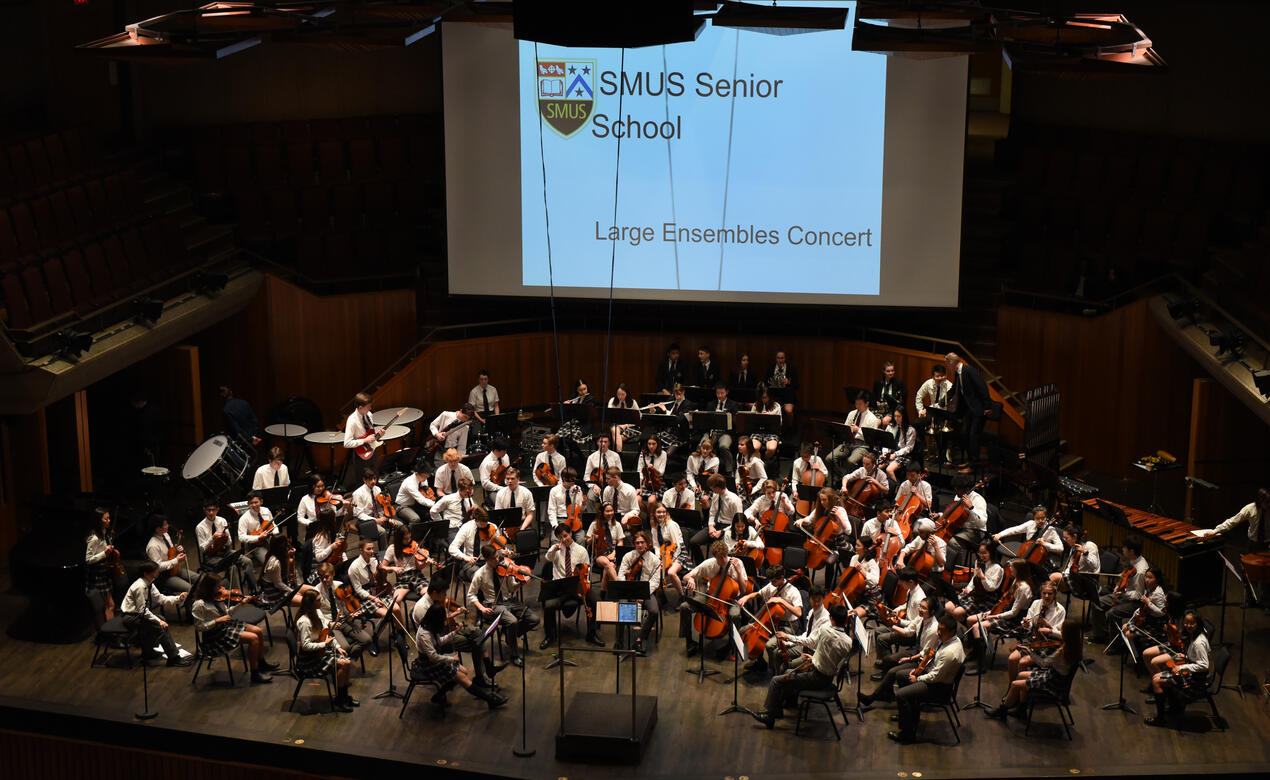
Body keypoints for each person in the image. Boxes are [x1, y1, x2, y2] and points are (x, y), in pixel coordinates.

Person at [751, 604, 853, 728]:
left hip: (817, 677)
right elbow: (829, 656)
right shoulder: (848, 642)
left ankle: (769, 717)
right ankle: (778, 709)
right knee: (788, 671)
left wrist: (788, 637)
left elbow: (811, 642)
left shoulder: (825, 631)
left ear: (831, 618)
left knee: (775, 680)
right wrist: (814, 658)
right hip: (828, 677)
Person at [410, 576, 504, 690]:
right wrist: (454, 616)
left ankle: (488, 665)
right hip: (439, 638)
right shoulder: (422, 608)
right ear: (435, 592)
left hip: (448, 629)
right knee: (476, 644)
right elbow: (434, 629)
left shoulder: (436, 600)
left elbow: (442, 620)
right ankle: (480, 678)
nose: (445, 597)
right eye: (444, 594)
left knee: (478, 633)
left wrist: (454, 620)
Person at [985, 618, 1082, 721]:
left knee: (1014, 685)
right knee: (1021, 675)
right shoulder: (1075, 647)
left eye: (1062, 631)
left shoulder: (1063, 652)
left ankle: (1002, 711)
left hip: (1052, 683)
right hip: (1057, 678)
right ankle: (1021, 710)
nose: (1061, 632)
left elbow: (1043, 663)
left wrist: (1029, 651)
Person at [414, 604, 508, 709]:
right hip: (427, 664)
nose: (444, 622)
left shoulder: (430, 627)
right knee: (462, 678)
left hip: (435, 660)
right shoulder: (425, 634)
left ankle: (439, 695)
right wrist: (451, 659)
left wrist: (455, 632)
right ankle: (490, 700)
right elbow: (433, 657)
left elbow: (440, 642)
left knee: (464, 672)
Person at [889, 614, 964, 743]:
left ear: (952, 632)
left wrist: (917, 679)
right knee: (900, 675)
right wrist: (918, 670)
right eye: (938, 629)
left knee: (901, 695)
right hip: (934, 677)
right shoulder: (948, 639)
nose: (938, 633)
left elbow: (935, 677)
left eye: (942, 630)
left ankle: (907, 735)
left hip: (938, 688)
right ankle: (909, 716)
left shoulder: (950, 652)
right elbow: (931, 655)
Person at [190, 573, 276, 684]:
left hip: (226, 626)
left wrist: (241, 603)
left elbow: (227, 612)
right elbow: (198, 627)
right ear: (209, 588)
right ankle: (255, 674)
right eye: (218, 587)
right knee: (253, 638)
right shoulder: (199, 605)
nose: (221, 589)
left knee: (258, 631)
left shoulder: (217, 598)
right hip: (215, 636)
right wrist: (217, 621)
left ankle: (262, 663)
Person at [467, 544, 542, 667]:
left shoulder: (505, 568)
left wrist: (521, 583)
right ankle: (514, 654)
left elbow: (512, 587)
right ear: (486, 559)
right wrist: (482, 609)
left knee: (535, 619)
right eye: (493, 558)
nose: (497, 560)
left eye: (497, 556)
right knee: (512, 622)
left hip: (510, 601)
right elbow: (471, 595)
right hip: (494, 605)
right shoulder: (480, 574)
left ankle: (510, 635)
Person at [1194, 487, 1270, 605]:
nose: (1268, 505)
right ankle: (1250, 600)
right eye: (1266, 502)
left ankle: (1266, 602)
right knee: (1249, 574)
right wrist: (1215, 531)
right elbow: (1232, 521)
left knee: (1267, 574)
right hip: (1253, 544)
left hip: (1267, 544)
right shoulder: (1250, 508)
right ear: (1260, 500)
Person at [1143, 610, 1210, 728]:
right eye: (1186, 622)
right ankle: (1174, 706)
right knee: (1156, 676)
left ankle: (1160, 719)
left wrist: (1181, 667)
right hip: (1191, 673)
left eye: (1192, 623)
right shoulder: (1194, 636)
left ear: (1197, 624)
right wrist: (1186, 656)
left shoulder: (1199, 642)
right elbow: (1197, 657)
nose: (1188, 626)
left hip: (1195, 680)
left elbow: (1204, 665)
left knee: (1156, 681)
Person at [966, 558, 1034, 672]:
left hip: (1013, 621)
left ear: (1019, 570)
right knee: (970, 620)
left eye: (1012, 567)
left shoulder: (1024, 588)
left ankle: (981, 665)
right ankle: (976, 652)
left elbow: (1013, 613)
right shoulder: (1016, 580)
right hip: (1004, 613)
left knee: (977, 627)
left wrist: (993, 616)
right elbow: (1005, 602)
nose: (1010, 569)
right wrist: (991, 611)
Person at [542, 524, 603, 647]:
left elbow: (586, 571)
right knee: (548, 606)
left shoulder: (581, 551)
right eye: (560, 538)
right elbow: (547, 558)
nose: (564, 540)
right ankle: (550, 636)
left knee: (596, 600)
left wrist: (584, 586)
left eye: (565, 536)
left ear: (570, 533)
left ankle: (592, 634)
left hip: (578, 587)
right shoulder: (556, 551)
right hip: (561, 588)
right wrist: (552, 549)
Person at [294, 589, 356, 711]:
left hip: (319, 652)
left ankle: (344, 696)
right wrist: (324, 644)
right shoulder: (305, 622)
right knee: (343, 664)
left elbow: (327, 634)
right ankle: (339, 700)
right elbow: (305, 646)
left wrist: (337, 647)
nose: (321, 601)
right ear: (311, 603)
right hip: (309, 659)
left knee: (347, 662)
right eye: (318, 600)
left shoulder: (317, 612)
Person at [862, 598, 939, 695]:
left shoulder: (933, 629)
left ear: (932, 611)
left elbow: (925, 655)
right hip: (916, 650)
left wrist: (909, 658)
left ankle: (876, 696)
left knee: (892, 672)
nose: (920, 609)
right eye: (920, 606)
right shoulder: (921, 617)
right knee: (887, 659)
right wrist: (891, 624)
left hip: (920, 660)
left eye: (924, 608)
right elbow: (908, 632)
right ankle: (887, 692)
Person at [736, 564, 803, 675]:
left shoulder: (793, 591)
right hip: (771, 621)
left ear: (782, 577)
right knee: (744, 630)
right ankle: (760, 663)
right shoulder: (772, 586)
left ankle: (773, 670)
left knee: (769, 645)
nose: (772, 584)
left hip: (788, 625)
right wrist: (746, 597)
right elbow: (758, 594)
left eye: (774, 581)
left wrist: (782, 601)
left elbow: (799, 612)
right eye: (771, 581)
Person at [120, 561, 191, 666]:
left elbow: (160, 598)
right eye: (155, 570)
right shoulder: (140, 586)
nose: (158, 572)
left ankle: (148, 652)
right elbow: (142, 611)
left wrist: (178, 598)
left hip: (138, 614)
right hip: (130, 616)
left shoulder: (149, 583)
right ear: (146, 573)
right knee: (159, 625)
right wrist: (159, 622)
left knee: (160, 619)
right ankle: (173, 658)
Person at [1090, 535, 1149, 642]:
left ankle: (1116, 645)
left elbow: (1139, 595)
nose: (1122, 549)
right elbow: (1127, 578)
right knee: (1096, 602)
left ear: (1131, 551)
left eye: (1124, 547)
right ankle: (1102, 636)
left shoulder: (1141, 571)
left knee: (1113, 612)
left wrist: (1122, 593)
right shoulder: (1133, 560)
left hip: (1135, 602)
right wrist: (1119, 584)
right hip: (1124, 594)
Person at [1003, 581, 1066, 680]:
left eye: (1050, 593)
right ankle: (1013, 687)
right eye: (1044, 593)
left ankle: (1021, 689)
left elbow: (1061, 634)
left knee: (1023, 662)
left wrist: (1049, 628)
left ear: (1054, 595)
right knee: (1012, 659)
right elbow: (1029, 624)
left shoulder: (1060, 610)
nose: (1046, 596)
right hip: (1034, 639)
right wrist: (1027, 624)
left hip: (1049, 643)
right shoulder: (1036, 603)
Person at [945, 352, 992, 472]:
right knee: (964, 433)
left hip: (979, 410)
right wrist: (942, 401)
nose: (947, 367)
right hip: (969, 410)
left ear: (951, 363)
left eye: (947, 364)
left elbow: (982, 387)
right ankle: (970, 461)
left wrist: (987, 406)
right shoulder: (958, 373)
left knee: (973, 436)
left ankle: (974, 466)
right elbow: (954, 389)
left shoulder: (969, 371)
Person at [616, 531, 663, 654]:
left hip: (646, 591)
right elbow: (620, 575)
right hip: (628, 590)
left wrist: (643, 594)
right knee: (622, 606)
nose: (640, 545)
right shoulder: (628, 556)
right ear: (634, 544)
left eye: (642, 542)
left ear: (647, 544)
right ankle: (619, 641)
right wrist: (627, 589)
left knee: (653, 611)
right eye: (637, 543)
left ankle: (640, 639)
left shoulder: (655, 560)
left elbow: (655, 581)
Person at [195, 500, 257, 592]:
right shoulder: (200, 527)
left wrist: (226, 538)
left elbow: (229, 543)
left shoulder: (222, 520)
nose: (211, 513)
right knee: (232, 567)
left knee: (247, 561)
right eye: (209, 510)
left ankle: (254, 589)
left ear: (217, 510)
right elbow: (202, 548)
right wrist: (212, 538)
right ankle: (237, 595)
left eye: (213, 510)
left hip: (225, 552)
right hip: (211, 556)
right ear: (204, 510)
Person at [768, 585, 827, 676]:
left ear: (823, 599)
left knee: (787, 666)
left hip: (812, 653)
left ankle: (781, 679)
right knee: (777, 653)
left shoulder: (825, 619)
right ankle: (778, 678)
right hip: (805, 646)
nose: (816, 603)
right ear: (809, 598)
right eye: (814, 600)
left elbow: (810, 641)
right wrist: (790, 643)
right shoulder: (812, 612)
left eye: (819, 600)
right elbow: (807, 634)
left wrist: (788, 637)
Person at [946, 542, 1004, 622]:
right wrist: (968, 589)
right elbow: (974, 578)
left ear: (991, 552)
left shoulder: (997, 568)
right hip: (974, 592)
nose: (981, 555)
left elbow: (991, 588)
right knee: (948, 607)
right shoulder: (978, 562)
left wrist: (983, 578)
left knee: (956, 612)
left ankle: (967, 625)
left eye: (984, 553)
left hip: (986, 597)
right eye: (979, 553)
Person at [994, 505, 1064, 571]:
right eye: (1037, 518)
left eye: (1043, 518)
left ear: (1046, 517)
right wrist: (1000, 534)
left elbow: (1061, 548)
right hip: (1025, 552)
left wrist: (1045, 544)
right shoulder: (1030, 524)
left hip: (1039, 559)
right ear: (1034, 517)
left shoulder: (1051, 530)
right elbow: (1014, 530)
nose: (1040, 521)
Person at [691, 474, 744, 559]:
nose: (710, 489)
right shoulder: (716, 495)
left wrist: (721, 532)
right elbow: (712, 513)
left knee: (719, 551)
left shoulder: (734, 500)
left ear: (717, 487)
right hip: (716, 525)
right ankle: (701, 564)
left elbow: (738, 523)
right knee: (694, 542)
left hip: (729, 528)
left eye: (712, 487)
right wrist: (711, 526)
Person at [932, 474, 988, 554]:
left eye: (958, 489)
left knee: (952, 542)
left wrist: (971, 508)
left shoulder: (978, 500)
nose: (955, 490)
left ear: (966, 489)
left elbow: (982, 523)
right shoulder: (958, 496)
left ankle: (955, 564)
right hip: (960, 527)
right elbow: (953, 515)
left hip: (975, 531)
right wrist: (940, 515)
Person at [85, 508, 121, 626]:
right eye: (106, 518)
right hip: (97, 575)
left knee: (106, 606)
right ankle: (109, 632)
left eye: (109, 518)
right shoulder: (94, 538)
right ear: (98, 520)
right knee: (107, 606)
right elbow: (88, 559)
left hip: (104, 572)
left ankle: (106, 632)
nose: (109, 521)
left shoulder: (104, 533)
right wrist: (104, 553)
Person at [342, 392, 383, 489]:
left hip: (372, 450)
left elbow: (371, 434)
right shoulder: (352, 420)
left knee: (374, 477)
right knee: (363, 483)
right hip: (361, 454)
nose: (370, 409)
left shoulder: (369, 414)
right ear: (360, 407)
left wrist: (379, 435)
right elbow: (347, 443)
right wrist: (364, 440)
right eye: (368, 407)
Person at [695, 383, 738, 474]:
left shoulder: (733, 404)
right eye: (718, 393)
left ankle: (730, 471)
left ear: (727, 392)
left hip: (725, 432)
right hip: (712, 431)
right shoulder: (711, 404)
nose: (720, 395)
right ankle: (698, 469)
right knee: (701, 445)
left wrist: (723, 415)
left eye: (722, 393)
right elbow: (705, 421)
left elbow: (735, 422)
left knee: (724, 446)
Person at [831, 392, 878, 472]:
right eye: (856, 404)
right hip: (848, 442)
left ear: (867, 404)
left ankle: (846, 479)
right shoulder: (852, 414)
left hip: (862, 445)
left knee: (850, 461)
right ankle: (840, 477)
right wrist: (847, 430)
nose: (857, 406)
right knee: (830, 458)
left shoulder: (873, 419)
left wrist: (858, 430)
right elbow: (845, 428)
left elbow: (871, 438)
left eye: (860, 404)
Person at [449, 505, 496, 583]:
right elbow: (452, 548)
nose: (484, 528)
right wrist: (465, 557)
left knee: (501, 574)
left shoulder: (492, 527)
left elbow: (497, 548)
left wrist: (502, 551)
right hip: (471, 563)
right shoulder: (466, 527)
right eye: (481, 525)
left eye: (486, 524)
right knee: (480, 577)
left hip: (489, 560)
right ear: (476, 520)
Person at [351, 467, 396, 549]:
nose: (373, 482)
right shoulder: (357, 493)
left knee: (399, 525)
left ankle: (396, 550)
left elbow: (380, 508)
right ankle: (383, 555)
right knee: (382, 532)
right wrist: (376, 520)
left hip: (377, 517)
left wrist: (387, 518)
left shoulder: (377, 489)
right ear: (364, 480)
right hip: (363, 520)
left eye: (375, 479)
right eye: (370, 479)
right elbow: (360, 515)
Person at [145, 516, 190, 595]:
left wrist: (178, 551)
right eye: (165, 524)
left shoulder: (165, 535)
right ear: (158, 529)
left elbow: (171, 552)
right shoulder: (152, 546)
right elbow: (158, 567)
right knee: (190, 589)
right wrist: (176, 560)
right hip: (164, 576)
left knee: (198, 578)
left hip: (174, 568)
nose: (168, 526)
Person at [1050, 524, 1100, 595]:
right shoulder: (1074, 546)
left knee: (1053, 577)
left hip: (1087, 582)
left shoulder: (1090, 546)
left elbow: (1095, 566)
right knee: (1053, 586)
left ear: (1075, 536)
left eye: (1066, 538)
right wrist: (1064, 574)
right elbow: (1070, 566)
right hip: (1075, 577)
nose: (1065, 540)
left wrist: (1085, 552)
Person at [383, 524, 429, 594]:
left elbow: (418, 567)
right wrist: (393, 568)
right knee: (396, 599)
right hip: (403, 578)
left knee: (427, 594)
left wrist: (426, 563)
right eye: (405, 538)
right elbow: (382, 566)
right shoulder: (392, 548)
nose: (408, 540)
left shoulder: (414, 546)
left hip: (416, 576)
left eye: (410, 537)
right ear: (399, 538)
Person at [237, 491, 278, 572]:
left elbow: (273, 524)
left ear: (261, 501)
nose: (254, 505)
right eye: (251, 503)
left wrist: (276, 532)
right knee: (270, 563)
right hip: (255, 545)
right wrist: (258, 537)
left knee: (283, 555)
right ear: (248, 504)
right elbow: (241, 537)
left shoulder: (266, 510)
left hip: (269, 539)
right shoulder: (244, 518)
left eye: (256, 502)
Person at [431, 476, 477, 547]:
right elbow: (433, 511)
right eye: (466, 492)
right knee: (459, 547)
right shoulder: (448, 499)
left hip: (467, 526)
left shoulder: (468, 498)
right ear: (460, 490)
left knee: (478, 542)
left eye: (471, 490)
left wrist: (476, 510)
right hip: (453, 528)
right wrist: (442, 525)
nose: (469, 494)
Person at [297, 477, 344, 542]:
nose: (321, 489)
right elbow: (299, 517)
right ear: (312, 486)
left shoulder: (327, 496)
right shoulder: (305, 499)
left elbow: (335, 513)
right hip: (313, 528)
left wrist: (343, 508)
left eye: (322, 486)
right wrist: (310, 523)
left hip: (327, 527)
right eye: (318, 487)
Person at [548, 467, 587, 543]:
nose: (573, 482)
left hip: (575, 520)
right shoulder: (554, 491)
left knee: (581, 539)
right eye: (571, 480)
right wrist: (555, 526)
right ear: (564, 479)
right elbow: (551, 510)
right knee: (555, 540)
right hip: (560, 520)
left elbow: (580, 510)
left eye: (574, 479)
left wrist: (584, 504)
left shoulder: (577, 489)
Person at [492, 467, 536, 534]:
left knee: (526, 537)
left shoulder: (526, 493)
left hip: (521, 522)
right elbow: (498, 515)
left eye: (512, 479)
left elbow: (530, 514)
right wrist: (505, 530)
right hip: (506, 524)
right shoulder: (500, 493)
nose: (510, 481)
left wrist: (521, 530)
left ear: (518, 479)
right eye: (507, 479)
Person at [881, 407, 917, 485]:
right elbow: (885, 442)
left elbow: (908, 448)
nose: (896, 418)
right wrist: (885, 452)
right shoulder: (890, 427)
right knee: (877, 467)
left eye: (899, 416)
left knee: (889, 470)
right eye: (895, 416)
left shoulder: (910, 430)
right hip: (890, 453)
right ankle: (883, 487)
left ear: (903, 416)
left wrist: (895, 454)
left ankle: (897, 488)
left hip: (903, 456)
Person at [748, 385, 782, 459]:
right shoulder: (756, 405)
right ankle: (759, 463)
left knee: (771, 449)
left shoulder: (776, 406)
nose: (763, 399)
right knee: (754, 447)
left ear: (770, 397)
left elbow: (779, 423)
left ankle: (764, 460)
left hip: (771, 432)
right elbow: (751, 421)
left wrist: (770, 417)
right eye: (761, 397)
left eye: (765, 397)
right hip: (758, 431)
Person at [636, 435, 668, 513]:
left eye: (653, 444)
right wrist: (639, 487)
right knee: (637, 500)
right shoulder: (642, 454)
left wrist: (653, 469)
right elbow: (639, 472)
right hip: (646, 481)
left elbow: (661, 472)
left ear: (657, 444)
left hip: (657, 481)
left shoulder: (663, 454)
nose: (651, 446)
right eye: (649, 444)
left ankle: (651, 518)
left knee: (651, 501)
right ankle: (648, 515)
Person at [584, 434, 620, 499]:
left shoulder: (615, 456)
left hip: (613, 484)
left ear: (609, 443)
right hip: (598, 484)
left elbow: (620, 473)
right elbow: (586, 476)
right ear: (597, 443)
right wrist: (594, 486)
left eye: (605, 442)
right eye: (601, 442)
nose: (603, 444)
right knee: (591, 497)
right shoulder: (591, 457)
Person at [606, 383, 640, 452]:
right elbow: (609, 415)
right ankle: (619, 456)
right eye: (618, 394)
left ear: (627, 394)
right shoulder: (612, 401)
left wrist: (626, 425)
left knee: (615, 437)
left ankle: (616, 456)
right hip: (616, 425)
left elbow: (639, 417)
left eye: (623, 394)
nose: (620, 397)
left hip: (630, 427)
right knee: (615, 430)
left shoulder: (632, 402)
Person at [766, 350, 798, 418]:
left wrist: (789, 382)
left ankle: (790, 428)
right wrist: (772, 382)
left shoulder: (791, 368)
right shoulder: (771, 368)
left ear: (785, 358)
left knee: (788, 411)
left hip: (788, 396)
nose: (780, 360)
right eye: (778, 358)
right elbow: (766, 383)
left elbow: (796, 385)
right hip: (774, 395)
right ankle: (774, 427)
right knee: (771, 411)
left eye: (782, 358)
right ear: (776, 358)